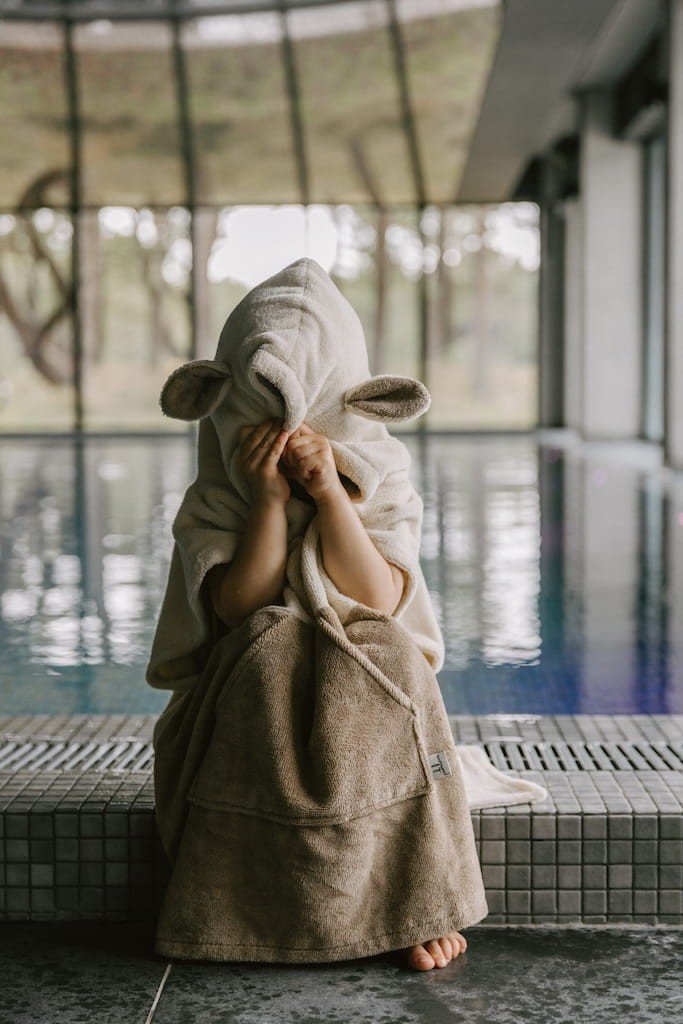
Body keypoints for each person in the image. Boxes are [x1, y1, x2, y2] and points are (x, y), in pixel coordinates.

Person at [205, 415, 469, 972]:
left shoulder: (384, 472)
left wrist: (329, 491)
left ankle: (417, 900)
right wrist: (269, 502)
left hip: (374, 687)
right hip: (255, 690)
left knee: (382, 651)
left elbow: (377, 598)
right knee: (267, 648)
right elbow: (238, 610)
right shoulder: (218, 487)